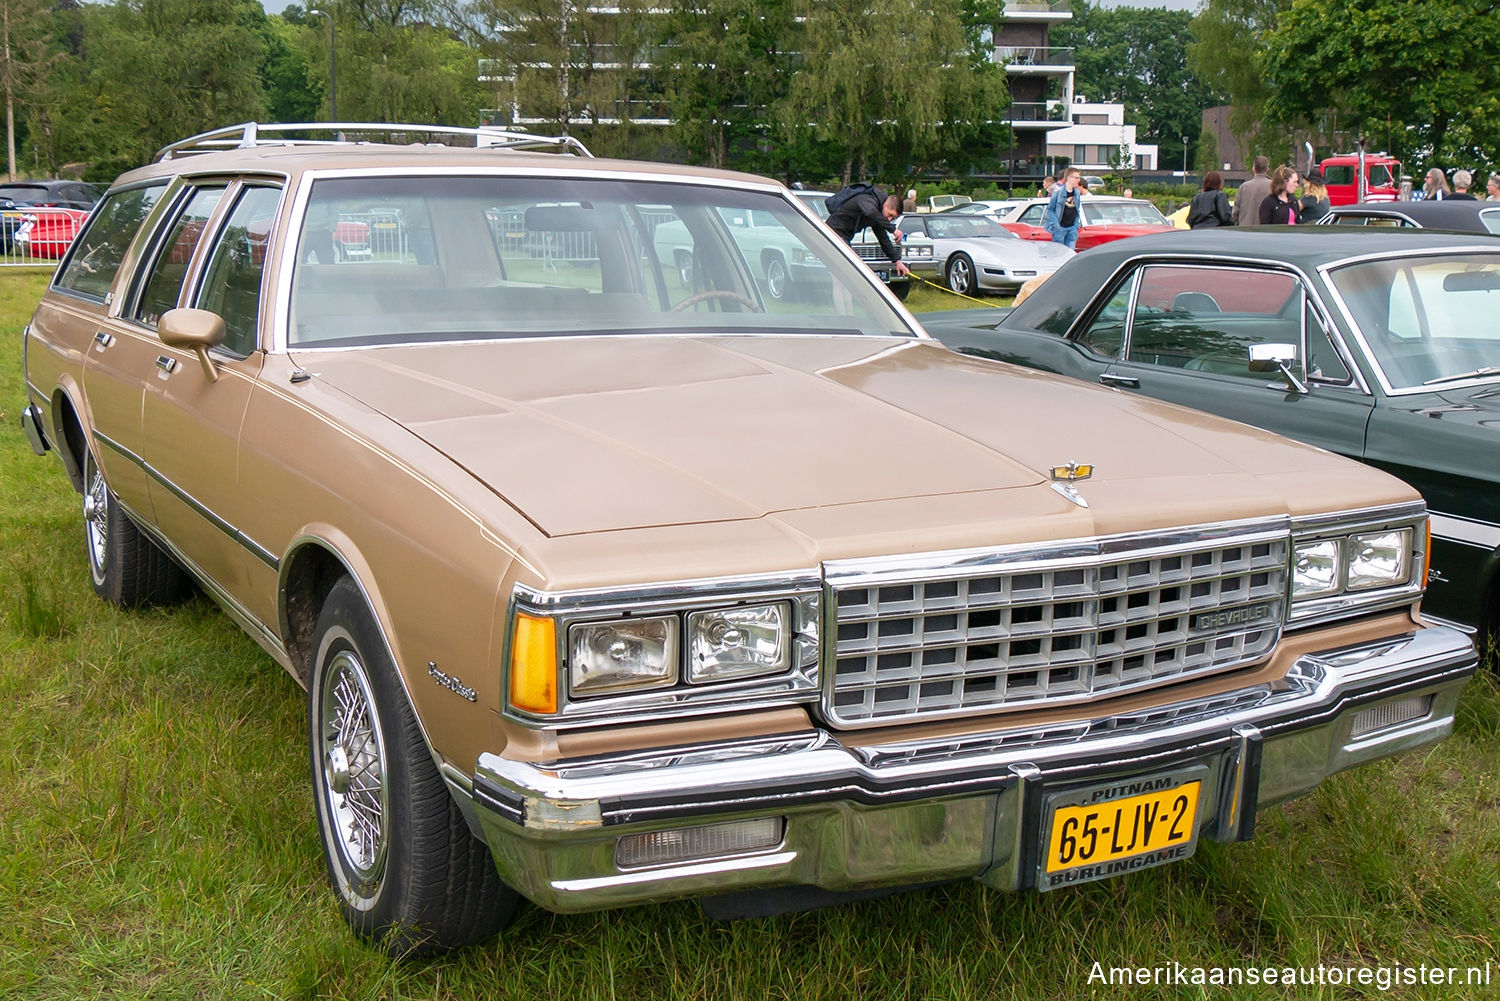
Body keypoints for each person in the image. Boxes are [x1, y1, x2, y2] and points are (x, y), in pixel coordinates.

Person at [825, 184, 909, 278]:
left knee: (843, 275)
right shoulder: (867, 199)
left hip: (844, 237)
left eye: (892, 217)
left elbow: (883, 239)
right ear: (885, 205)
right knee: (846, 273)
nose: (889, 219)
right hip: (832, 233)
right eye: (890, 215)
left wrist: (897, 261)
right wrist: (893, 229)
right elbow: (870, 212)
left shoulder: (878, 216)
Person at [1043, 168, 1083, 248]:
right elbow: (1050, 209)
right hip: (1060, 228)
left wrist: (1076, 225)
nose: (1078, 180)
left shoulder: (1077, 193)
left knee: (1070, 254)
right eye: (1076, 178)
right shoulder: (1057, 192)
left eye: (1079, 178)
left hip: (1072, 228)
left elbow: (1077, 209)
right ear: (1069, 178)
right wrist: (1056, 226)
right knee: (1058, 253)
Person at [1232, 156, 1271, 226]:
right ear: (1267, 169)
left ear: (1253, 169)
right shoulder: (1273, 186)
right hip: (1267, 231)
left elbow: (1235, 212)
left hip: (1246, 229)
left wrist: (1238, 224)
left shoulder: (1243, 187)